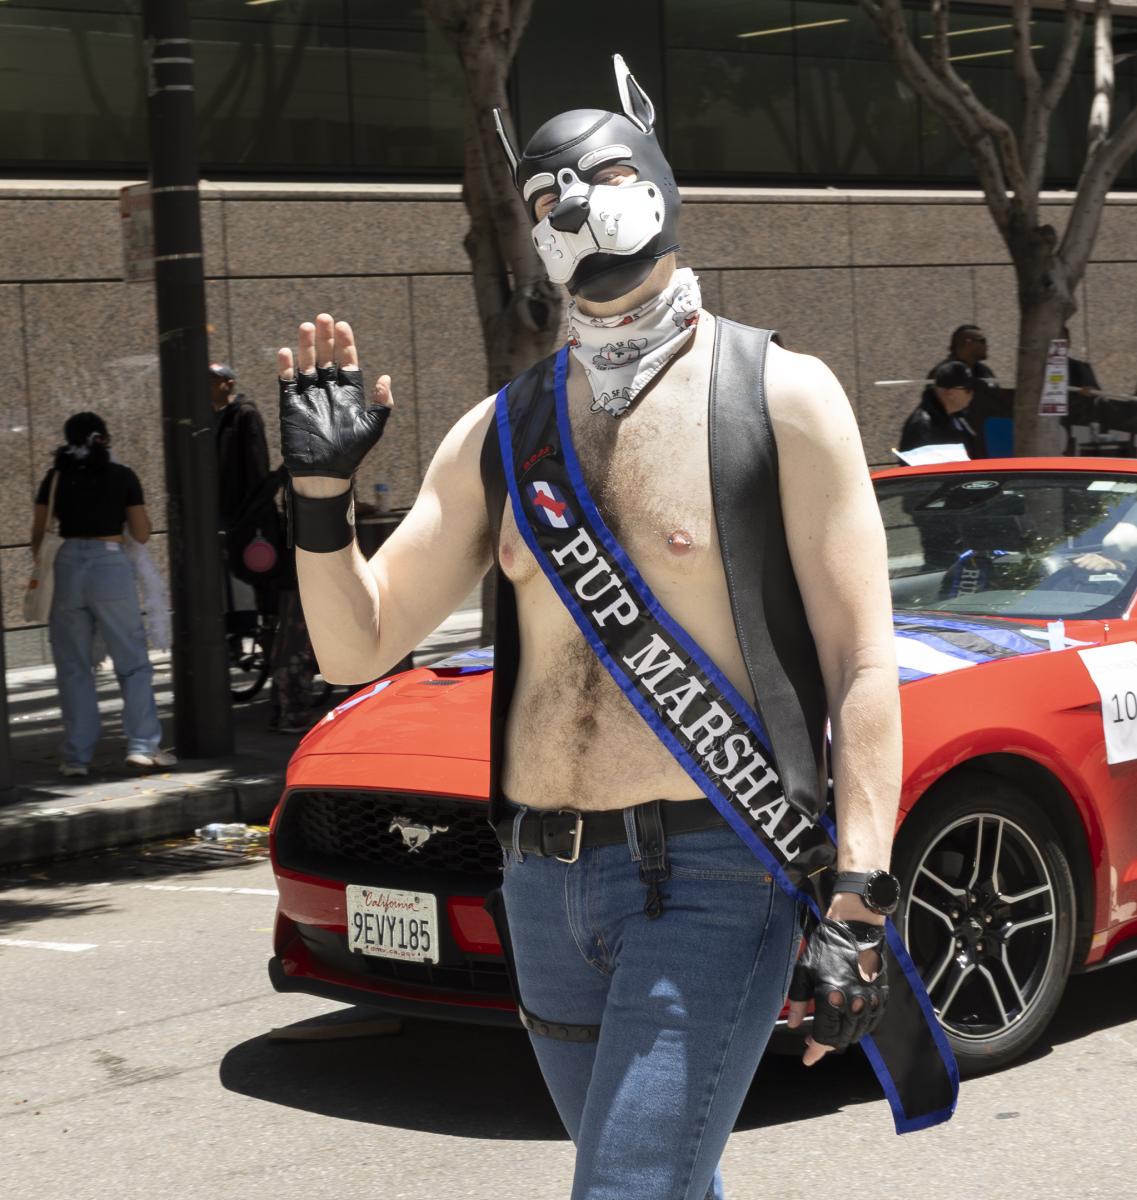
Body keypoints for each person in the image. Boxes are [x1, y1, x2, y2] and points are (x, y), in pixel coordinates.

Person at [276, 56, 953, 1199]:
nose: (574, 209)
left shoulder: (780, 395)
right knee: (664, 1181)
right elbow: (356, 644)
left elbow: (862, 661)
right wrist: (318, 501)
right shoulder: (501, 432)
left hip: (715, 872)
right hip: (542, 888)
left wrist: (859, 893)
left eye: (600, 177)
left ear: (656, 174)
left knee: (628, 1188)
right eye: (544, 197)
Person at [30, 412, 174, 776]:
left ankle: (76, 758)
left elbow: (38, 534)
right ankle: (142, 746)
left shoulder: (55, 477)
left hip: (66, 566)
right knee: (132, 661)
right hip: (109, 564)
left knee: (73, 666)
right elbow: (140, 533)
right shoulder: (122, 476)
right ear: (105, 439)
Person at [210, 362, 271, 528]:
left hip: (241, 514)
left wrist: (253, 513)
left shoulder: (245, 414)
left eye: (213, 381)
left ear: (229, 384)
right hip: (218, 512)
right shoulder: (208, 418)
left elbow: (257, 466)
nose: (207, 386)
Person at [900, 359, 984, 458]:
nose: (972, 394)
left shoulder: (957, 418)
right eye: (968, 390)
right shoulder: (923, 425)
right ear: (951, 393)